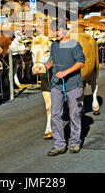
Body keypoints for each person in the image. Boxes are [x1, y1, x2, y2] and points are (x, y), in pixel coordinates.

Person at [44, 19, 85, 156]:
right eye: (53, 30)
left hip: (73, 84)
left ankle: (74, 143)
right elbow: (54, 59)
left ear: (65, 30)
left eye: (58, 30)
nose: (55, 33)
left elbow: (80, 63)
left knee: (74, 114)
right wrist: (49, 66)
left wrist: (66, 72)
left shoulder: (74, 45)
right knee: (55, 114)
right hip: (57, 84)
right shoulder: (54, 45)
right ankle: (59, 144)